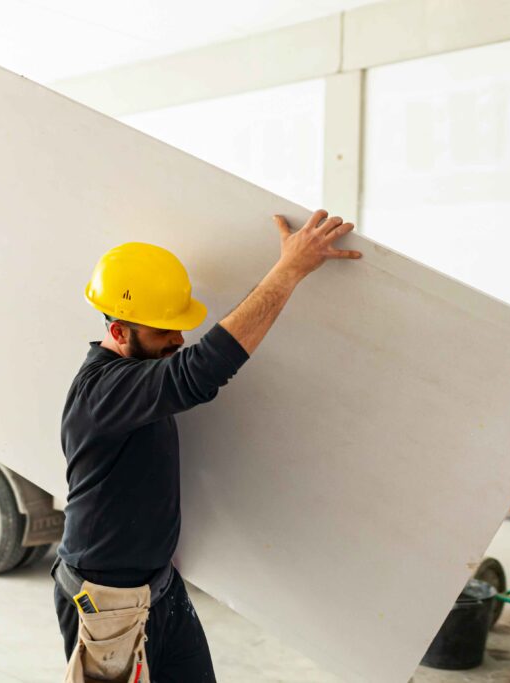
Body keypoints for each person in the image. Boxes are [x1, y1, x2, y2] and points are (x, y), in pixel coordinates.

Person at [53, 210, 360, 682]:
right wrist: (290, 269)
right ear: (118, 332)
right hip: (106, 606)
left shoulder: (131, 380)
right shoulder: (105, 392)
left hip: (158, 589)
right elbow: (201, 370)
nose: (178, 339)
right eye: (162, 331)